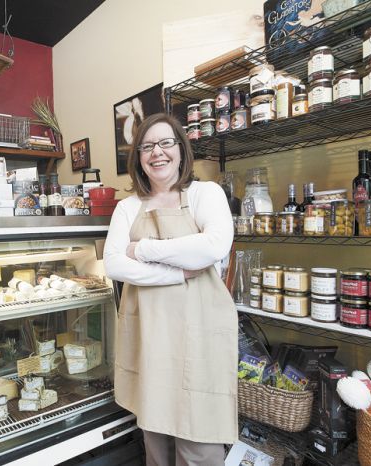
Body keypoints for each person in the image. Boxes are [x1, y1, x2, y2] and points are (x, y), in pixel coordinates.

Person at [104, 113, 237, 466]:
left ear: (181, 149)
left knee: (200, 442)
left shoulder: (205, 194)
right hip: (150, 333)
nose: (157, 153)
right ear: (138, 158)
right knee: (156, 439)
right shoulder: (127, 207)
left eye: (166, 143)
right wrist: (177, 274)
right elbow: (114, 264)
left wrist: (143, 250)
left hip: (199, 332)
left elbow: (212, 247)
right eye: (147, 146)